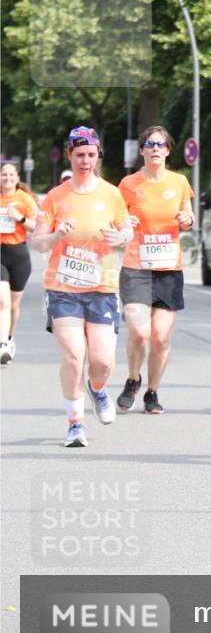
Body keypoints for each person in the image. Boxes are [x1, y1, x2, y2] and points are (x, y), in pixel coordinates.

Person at [31, 127, 132, 447]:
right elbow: (38, 244)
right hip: (63, 288)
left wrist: (121, 237)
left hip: (101, 287)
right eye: (79, 155)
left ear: (98, 155)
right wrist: (57, 233)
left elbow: (126, 227)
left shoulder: (111, 193)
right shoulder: (56, 197)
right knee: (74, 356)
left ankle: (98, 389)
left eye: (90, 155)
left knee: (102, 361)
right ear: (70, 156)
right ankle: (75, 423)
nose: (85, 161)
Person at [116, 126, 194, 415]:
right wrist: (125, 224)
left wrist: (187, 217)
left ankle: (152, 391)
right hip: (136, 267)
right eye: (150, 144)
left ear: (168, 150)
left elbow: (188, 216)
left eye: (161, 144)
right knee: (139, 332)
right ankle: (133, 378)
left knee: (161, 337)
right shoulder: (128, 184)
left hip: (168, 269)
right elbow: (116, 219)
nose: (155, 149)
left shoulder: (180, 182)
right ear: (142, 150)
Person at [0, 162, 39, 362]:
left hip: (19, 256)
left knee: (14, 305)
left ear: (17, 177)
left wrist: (20, 218)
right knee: (2, 300)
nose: (7, 178)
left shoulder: (25, 199)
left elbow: (37, 228)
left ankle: (8, 338)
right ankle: (3, 345)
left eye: (11, 175)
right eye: (3, 174)